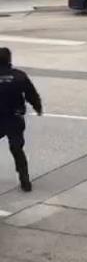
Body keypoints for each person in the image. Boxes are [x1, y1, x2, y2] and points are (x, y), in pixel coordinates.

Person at [0, 48, 42, 191]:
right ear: (9, 59)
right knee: (17, 148)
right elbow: (31, 93)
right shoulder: (19, 76)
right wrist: (38, 107)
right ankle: (24, 179)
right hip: (14, 118)